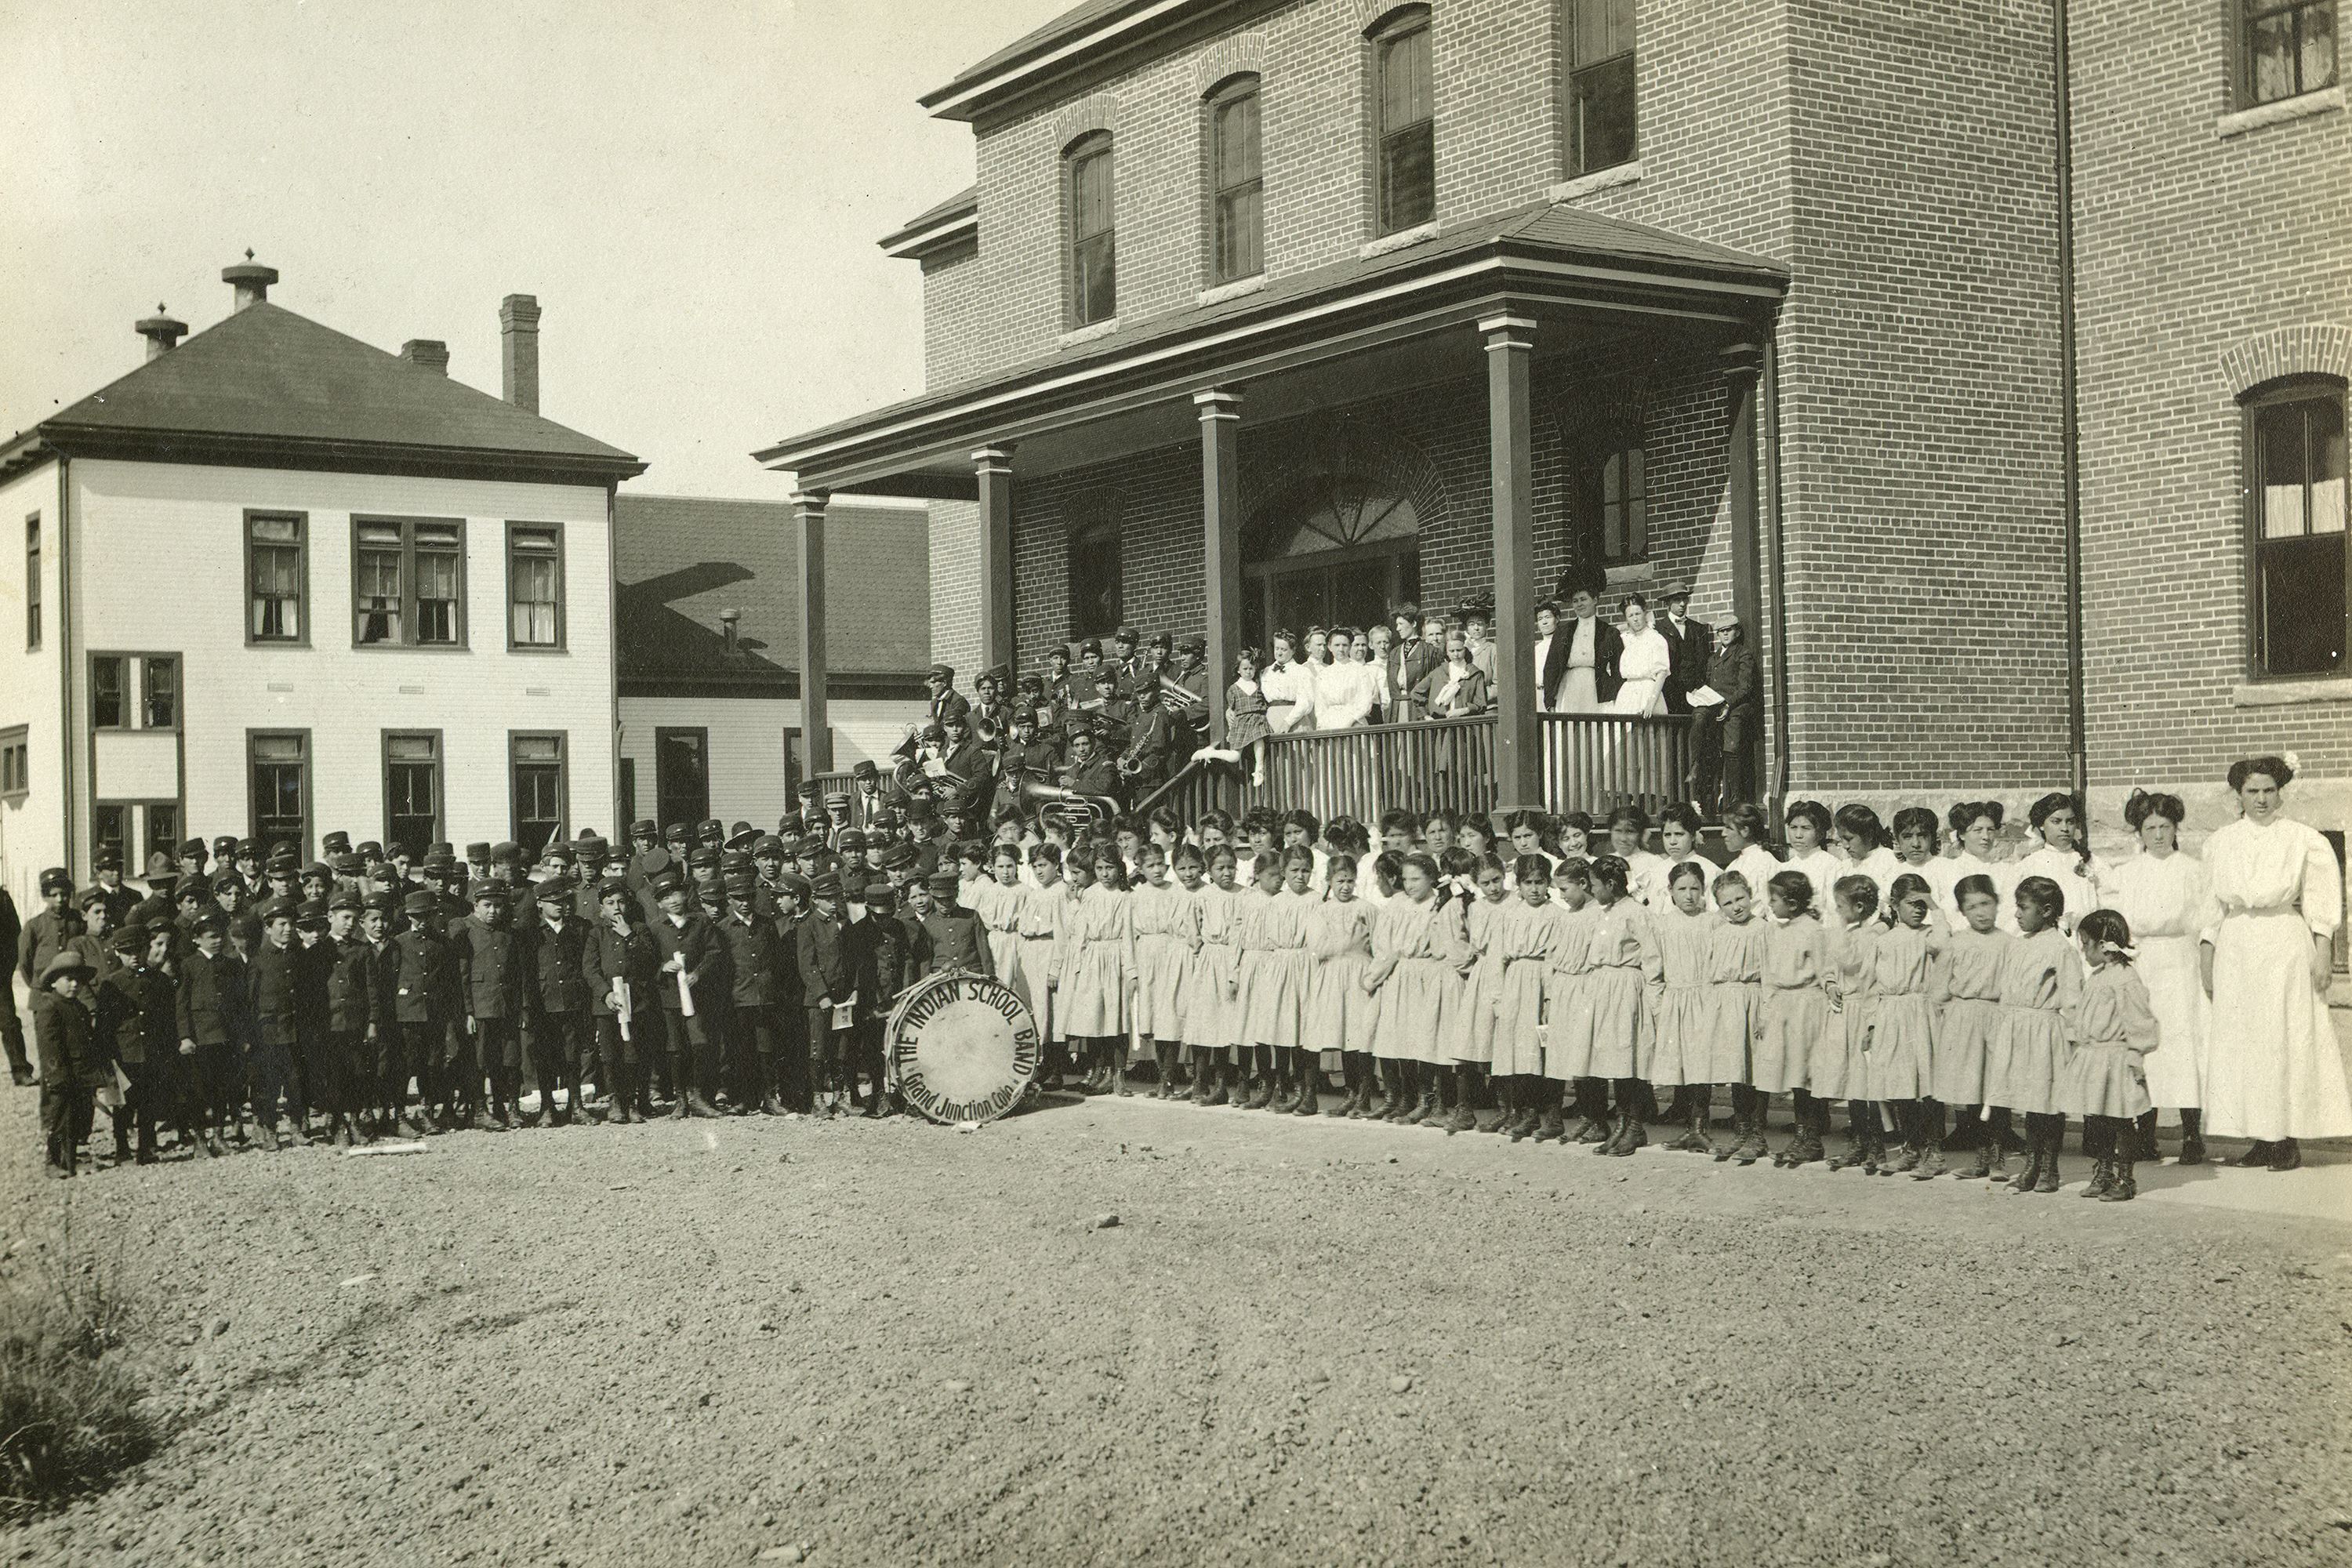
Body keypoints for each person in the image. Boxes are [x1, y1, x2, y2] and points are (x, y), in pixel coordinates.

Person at [2199, 756, 2352, 1171]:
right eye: (2253, 791)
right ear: (2239, 795)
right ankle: (2260, 1139)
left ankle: (2286, 1139)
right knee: (2245, 1042)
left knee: (2285, 1038)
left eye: (2269, 790)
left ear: (2280, 793)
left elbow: (2322, 899)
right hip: (2237, 946)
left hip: (2284, 943)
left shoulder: (2304, 839)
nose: (2261, 799)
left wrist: (2324, 951)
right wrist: (2207, 955)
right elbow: (2210, 906)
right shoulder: (2221, 842)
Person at [2096, 789, 2215, 1163]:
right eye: (2150, 828)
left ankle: (2192, 1134)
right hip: (2142, 963)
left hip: (2182, 962)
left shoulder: (2194, 870)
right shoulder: (2126, 874)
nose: (2159, 835)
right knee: (2145, 1045)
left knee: (2183, 1045)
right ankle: (2145, 1134)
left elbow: (2209, 922)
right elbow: (2114, 926)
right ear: (2139, 832)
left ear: (2176, 828)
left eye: (2166, 827)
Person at [1987, 876, 2080, 1194]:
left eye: (2023, 908)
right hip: (2017, 1029)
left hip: (2044, 1032)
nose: (2016, 914)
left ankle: (2049, 1167)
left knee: (2048, 1103)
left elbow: (2072, 999)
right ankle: (2032, 1164)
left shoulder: (2061, 949)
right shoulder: (2018, 944)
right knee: (2029, 1104)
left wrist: (2076, 1037)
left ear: (2047, 910)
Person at [2065, 909, 2161, 1203]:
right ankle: (2104, 1170)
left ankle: (2125, 1177)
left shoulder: (2125, 979)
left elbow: (2139, 1020)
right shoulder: (2098, 977)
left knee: (2120, 1121)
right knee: (2098, 1120)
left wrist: (2136, 1054)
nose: (2083, 951)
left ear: (2103, 944)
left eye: (2086, 944)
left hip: (2116, 1059)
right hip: (2095, 1058)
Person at [34, 949, 100, 1178]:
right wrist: (56, 1076)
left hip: (81, 1072)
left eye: (78, 980)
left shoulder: (80, 1008)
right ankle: (52, 1161)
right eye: (68, 979)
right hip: (61, 1074)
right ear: (53, 982)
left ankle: (71, 1160)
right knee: (58, 1117)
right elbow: (49, 1046)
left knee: (80, 1116)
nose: (74, 985)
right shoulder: (49, 1007)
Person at [1692, 617, 1759, 809]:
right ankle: (1708, 796)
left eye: (1729, 630)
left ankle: (1735, 799)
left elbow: (1745, 687)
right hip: (1714, 708)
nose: (1725, 634)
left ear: (1736, 632)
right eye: (1721, 631)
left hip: (1735, 708)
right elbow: (1707, 683)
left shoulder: (1743, 654)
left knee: (1732, 749)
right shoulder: (1713, 658)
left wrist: (1728, 704)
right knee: (1709, 747)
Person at [1546, 587, 1623, 714]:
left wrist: (1619, 697)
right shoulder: (1563, 632)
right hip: (1569, 688)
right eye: (1575, 601)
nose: (1579, 604)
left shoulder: (1609, 632)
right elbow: (1551, 666)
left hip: (1597, 688)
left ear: (1595, 600)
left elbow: (1618, 669)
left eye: (1583, 599)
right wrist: (1549, 701)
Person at [1604, 596, 1671, 717]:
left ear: (1645, 613)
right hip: (1627, 694)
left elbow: (1661, 674)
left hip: (1648, 692)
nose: (1635, 619)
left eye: (1638, 614)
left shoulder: (1656, 639)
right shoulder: (1624, 640)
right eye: (1630, 616)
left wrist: (1651, 704)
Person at [1653, 582, 1711, 714]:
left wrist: (1699, 687)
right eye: (1677, 600)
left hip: (1695, 693)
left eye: (1685, 599)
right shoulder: (1658, 629)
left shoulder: (1698, 629)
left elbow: (1704, 662)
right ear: (1667, 603)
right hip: (1669, 693)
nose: (1682, 604)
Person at [1410, 627, 1492, 718]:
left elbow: (1481, 703)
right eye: (1452, 651)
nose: (1456, 655)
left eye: (1459, 650)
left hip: (1465, 725)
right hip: (1441, 726)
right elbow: (1416, 693)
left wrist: (1464, 710)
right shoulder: (1438, 672)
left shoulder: (1474, 673)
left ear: (1465, 650)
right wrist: (1425, 715)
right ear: (1446, 652)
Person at [1312, 626, 1378, 731]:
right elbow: (1320, 705)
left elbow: (1365, 702)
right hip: (1329, 724)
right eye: (1337, 645)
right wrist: (1323, 723)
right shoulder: (1324, 674)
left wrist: (1348, 721)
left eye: (1345, 645)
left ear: (1350, 647)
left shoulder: (1360, 670)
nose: (1341, 649)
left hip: (1354, 723)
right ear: (1329, 647)